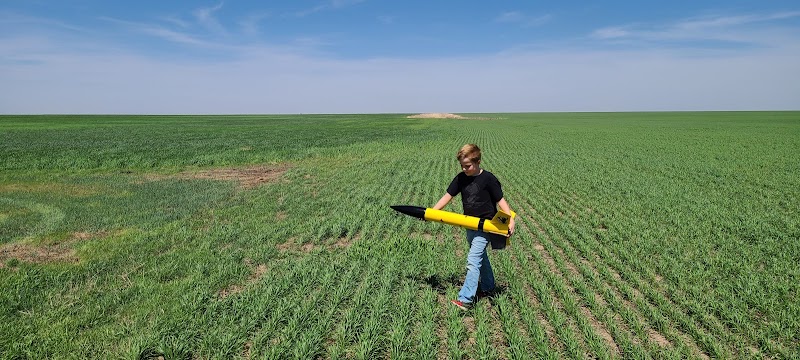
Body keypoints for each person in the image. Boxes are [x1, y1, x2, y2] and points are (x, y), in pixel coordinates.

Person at [432, 144, 515, 310]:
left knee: (473, 260)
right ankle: (488, 287)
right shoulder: (461, 178)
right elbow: (447, 196)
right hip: (469, 225)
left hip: (485, 227)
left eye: (468, 166)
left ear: (478, 161)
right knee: (480, 258)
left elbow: (501, 201)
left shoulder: (489, 179)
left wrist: (511, 220)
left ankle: (466, 299)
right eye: (462, 165)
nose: (464, 169)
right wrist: (431, 213)